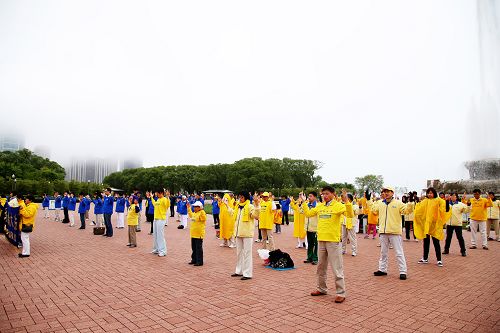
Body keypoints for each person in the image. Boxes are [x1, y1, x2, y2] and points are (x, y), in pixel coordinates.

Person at [301, 187, 349, 303]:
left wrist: (346, 201)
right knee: (321, 267)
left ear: (333, 194)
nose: (325, 196)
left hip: (333, 241)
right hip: (321, 240)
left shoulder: (338, 205)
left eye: (327, 194)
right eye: (323, 194)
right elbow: (308, 213)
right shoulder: (320, 206)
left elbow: (350, 213)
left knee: (337, 268)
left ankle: (341, 293)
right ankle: (321, 288)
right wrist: (304, 201)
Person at [371, 186, 409, 280]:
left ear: (392, 193)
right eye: (384, 191)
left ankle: (403, 271)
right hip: (383, 232)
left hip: (394, 232)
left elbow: (407, 211)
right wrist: (371, 200)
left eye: (388, 191)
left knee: (399, 253)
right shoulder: (380, 203)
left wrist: (411, 202)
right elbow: (374, 211)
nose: (386, 193)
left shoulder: (398, 203)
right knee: (383, 252)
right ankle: (382, 269)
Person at [229, 192, 260, 280]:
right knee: (239, 253)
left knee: (247, 253)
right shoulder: (238, 206)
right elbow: (233, 215)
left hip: (247, 234)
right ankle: (239, 271)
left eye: (242, 197)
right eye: (239, 197)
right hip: (238, 233)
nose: (240, 199)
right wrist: (227, 206)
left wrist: (257, 204)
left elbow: (256, 216)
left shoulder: (250, 206)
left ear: (246, 198)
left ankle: (247, 273)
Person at [414, 187, 447, 266]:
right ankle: (425, 258)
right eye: (428, 193)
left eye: (431, 193)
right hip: (427, 224)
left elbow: (444, 209)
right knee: (426, 242)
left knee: (436, 242)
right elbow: (419, 210)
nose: (429, 194)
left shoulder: (438, 200)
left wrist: (447, 201)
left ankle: (439, 260)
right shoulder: (425, 201)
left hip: (435, 224)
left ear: (434, 193)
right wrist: (417, 202)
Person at [151, 189, 170, 257]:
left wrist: (167, 197)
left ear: (161, 193)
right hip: (156, 219)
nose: (156, 195)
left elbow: (167, 205)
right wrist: (151, 197)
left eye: (157, 193)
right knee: (155, 234)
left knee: (160, 235)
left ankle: (163, 251)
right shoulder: (158, 199)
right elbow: (155, 204)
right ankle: (156, 249)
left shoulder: (164, 199)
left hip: (161, 219)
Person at [187, 201, 207, 266]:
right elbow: (190, 215)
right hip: (193, 234)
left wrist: (202, 211)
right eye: (194, 207)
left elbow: (204, 218)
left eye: (196, 207)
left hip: (199, 234)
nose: (194, 208)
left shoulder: (201, 213)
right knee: (194, 248)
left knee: (198, 248)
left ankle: (199, 261)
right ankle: (194, 259)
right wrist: (189, 208)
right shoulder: (195, 213)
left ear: (200, 207)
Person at [302, 191, 318, 265]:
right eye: (308, 196)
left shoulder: (317, 206)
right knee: (310, 244)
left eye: (311, 196)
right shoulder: (307, 205)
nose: (309, 197)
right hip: (308, 228)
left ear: (315, 197)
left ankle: (315, 258)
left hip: (315, 228)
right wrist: (302, 202)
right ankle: (309, 257)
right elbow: (301, 211)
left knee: (316, 244)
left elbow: (309, 214)